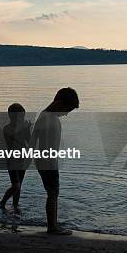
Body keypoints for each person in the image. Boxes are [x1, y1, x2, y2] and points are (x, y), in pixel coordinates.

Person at [31, 87, 79, 235]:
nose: (66, 114)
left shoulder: (45, 116)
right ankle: (52, 226)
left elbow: (33, 140)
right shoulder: (47, 118)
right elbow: (36, 141)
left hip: (45, 160)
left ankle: (53, 224)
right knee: (53, 193)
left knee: (52, 192)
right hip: (48, 162)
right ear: (58, 102)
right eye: (66, 110)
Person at [0, 103, 31, 214]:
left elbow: (29, 141)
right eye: (19, 116)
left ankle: (15, 206)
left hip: (22, 158)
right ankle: (2, 202)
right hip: (12, 159)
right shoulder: (7, 128)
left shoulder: (23, 127)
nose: (22, 118)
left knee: (19, 185)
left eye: (23, 116)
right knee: (16, 185)